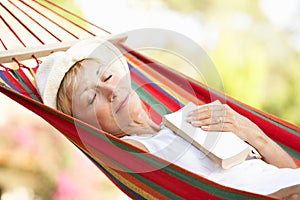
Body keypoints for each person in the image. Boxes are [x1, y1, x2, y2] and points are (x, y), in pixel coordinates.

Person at [35, 36, 300, 199]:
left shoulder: (191, 116)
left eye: (107, 77)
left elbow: (289, 174)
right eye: (91, 98)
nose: (110, 91)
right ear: (84, 127)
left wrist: (255, 135)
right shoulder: (136, 155)